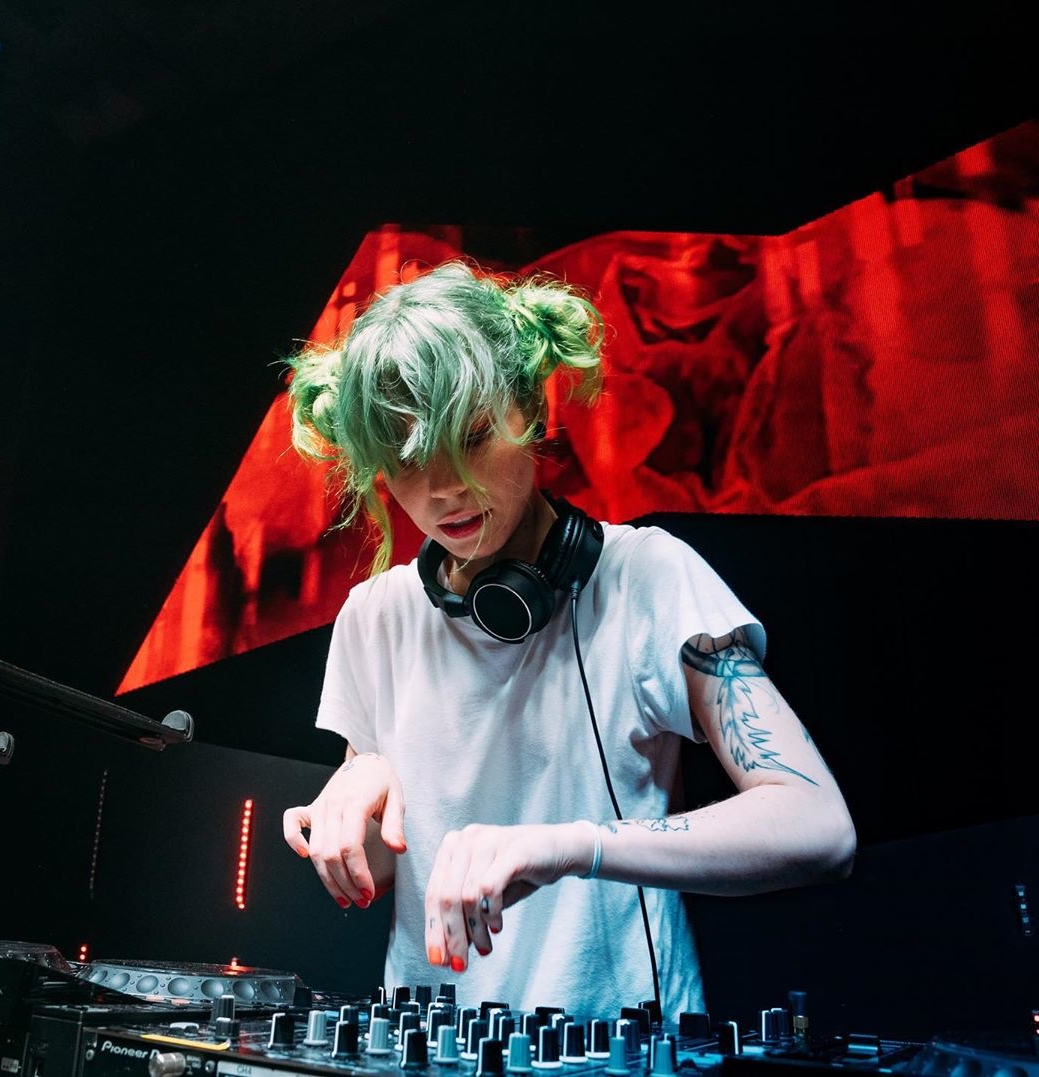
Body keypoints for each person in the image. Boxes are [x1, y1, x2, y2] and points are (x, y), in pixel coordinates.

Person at [281, 260, 855, 1019]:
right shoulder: (374, 616)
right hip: (427, 1046)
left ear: (530, 407)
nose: (442, 488)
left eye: (471, 436)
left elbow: (818, 826)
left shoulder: (645, 576)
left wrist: (573, 845)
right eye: (407, 459)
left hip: (623, 1046)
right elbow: (384, 873)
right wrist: (355, 808)